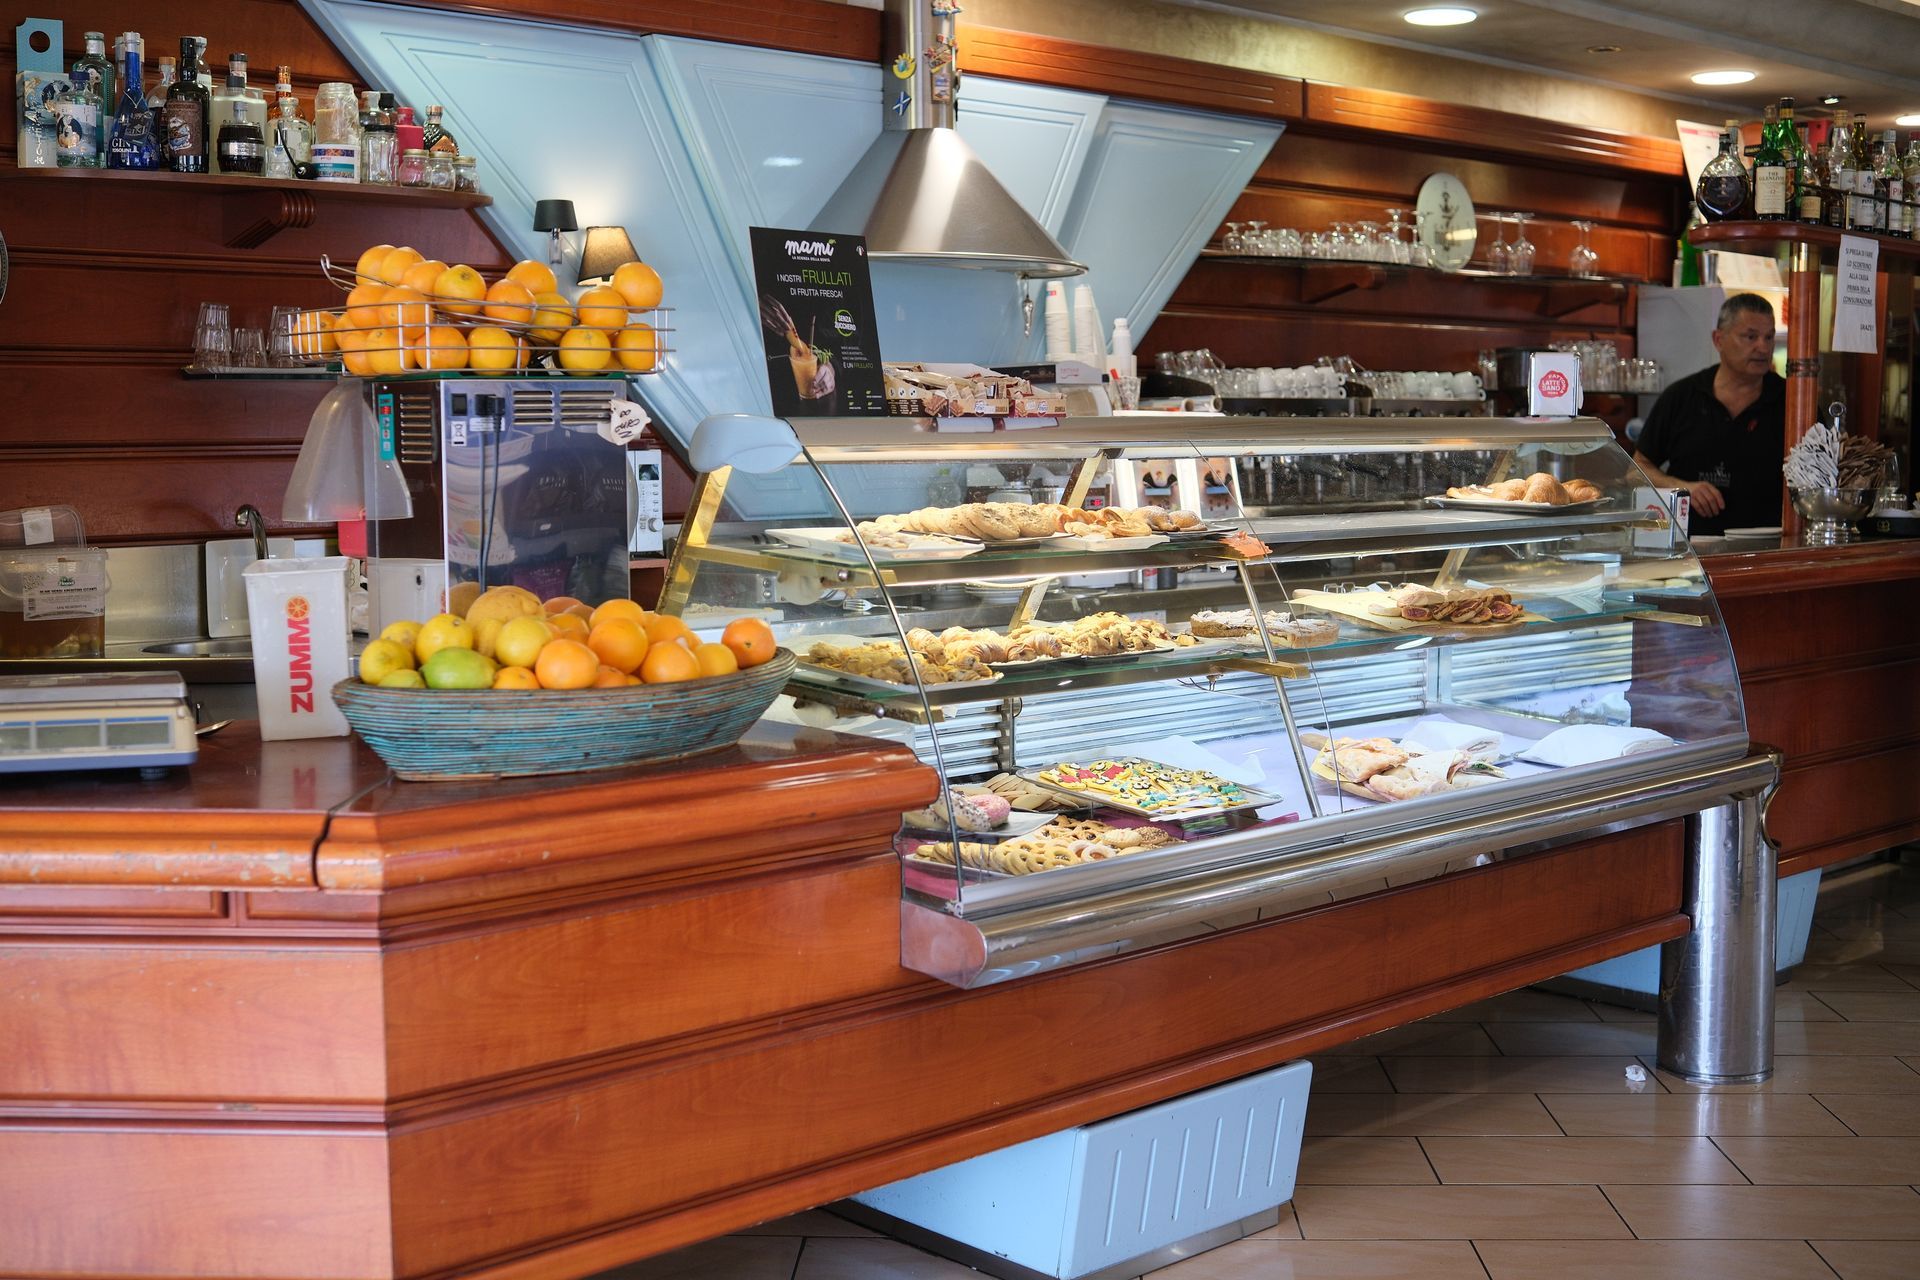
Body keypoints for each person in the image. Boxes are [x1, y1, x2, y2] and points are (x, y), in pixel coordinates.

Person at [1632, 292, 1786, 536]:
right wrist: (1681, 488)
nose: (1763, 347)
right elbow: (1636, 469)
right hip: (1689, 544)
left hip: (1771, 545)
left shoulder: (1791, 402)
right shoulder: (1682, 396)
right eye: (1750, 336)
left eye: (1769, 337)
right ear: (1718, 339)